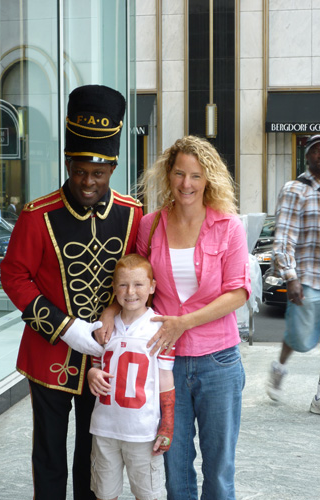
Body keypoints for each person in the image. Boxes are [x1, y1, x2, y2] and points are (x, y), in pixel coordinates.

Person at [0, 84, 143, 500]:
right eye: (79, 171)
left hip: (106, 353)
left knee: (93, 450)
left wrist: (111, 315)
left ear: (112, 170)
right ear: (67, 162)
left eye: (97, 174)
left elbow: (136, 277)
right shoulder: (38, 214)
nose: (87, 182)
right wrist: (63, 327)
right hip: (49, 355)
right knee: (48, 451)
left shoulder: (132, 214)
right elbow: (15, 276)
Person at [135, 135, 251, 500]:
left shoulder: (228, 226)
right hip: (165, 364)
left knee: (218, 471)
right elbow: (136, 282)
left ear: (208, 179)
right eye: (180, 174)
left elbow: (238, 292)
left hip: (218, 361)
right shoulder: (149, 225)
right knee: (174, 466)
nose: (187, 184)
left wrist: (183, 322)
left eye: (196, 176)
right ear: (168, 175)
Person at [87, 254, 175, 500]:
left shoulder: (160, 328)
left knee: (148, 495)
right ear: (114, 289)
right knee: (105, 494)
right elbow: (96, 363)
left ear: (152, 286)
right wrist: (93, 374)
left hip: (143, 432)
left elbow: (166, 379)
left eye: (138, 284)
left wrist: (167, 424)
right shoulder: (105, 326)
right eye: (123, 284)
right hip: (105, 428)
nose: (131, 291)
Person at [267, 134, 320, 413]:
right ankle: (279, 367)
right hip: (307, 277)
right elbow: (284, 236)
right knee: (300, 337)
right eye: (317, 150)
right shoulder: (294, 189)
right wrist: (291, 276)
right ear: (308, 155)